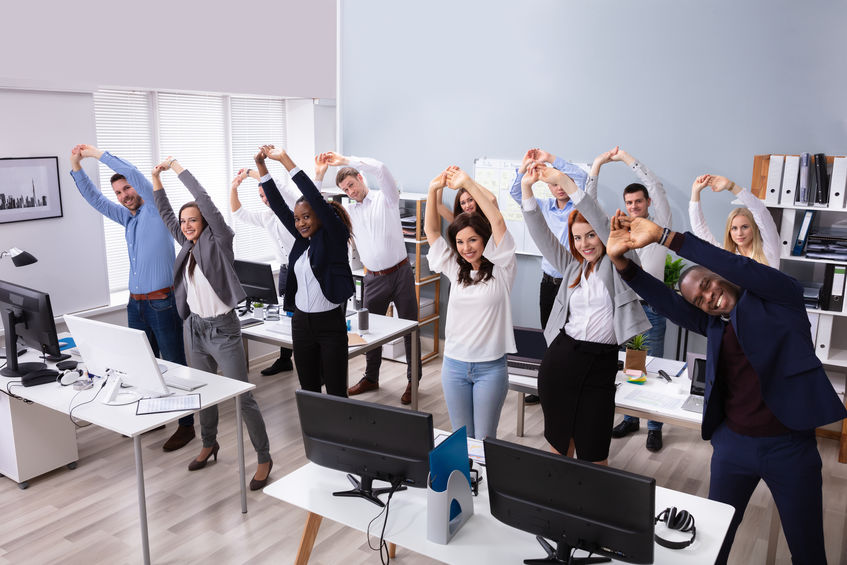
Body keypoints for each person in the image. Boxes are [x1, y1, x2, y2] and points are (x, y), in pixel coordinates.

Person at [605, 211, 847, 565]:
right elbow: (668, 303)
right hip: (733, 447)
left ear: (720, 276)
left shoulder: (782, 298)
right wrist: (623, 264)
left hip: (790, 447)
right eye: (700, 300)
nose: (709, 297)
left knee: (807, 550)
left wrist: (666, 236)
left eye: (707, 285)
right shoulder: (716, 324)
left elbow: (739, 267)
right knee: (712, 543)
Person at [152, 157, 272, 490]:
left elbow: (203, 199)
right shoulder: (187, 245)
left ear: (204, 221)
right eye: (184, 221)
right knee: (201, 391)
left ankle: (263, 457)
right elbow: (164, 214)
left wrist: (176, 169)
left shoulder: (219, 240)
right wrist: (155, 180)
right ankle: (209, 443)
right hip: (195, 329)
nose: (188, 225)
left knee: (242, 397)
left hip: (223, 330)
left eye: (193, 220)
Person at [521, 162, 650, 463]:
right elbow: (541, 233)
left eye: (591, 235)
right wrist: (527, 189)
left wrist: (564, 182)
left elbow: (602, 223)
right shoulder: (572, 267)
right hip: (562, 362)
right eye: (578, 238)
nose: (585, 244)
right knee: (559, 451)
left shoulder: (620, 261)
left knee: (594, 457)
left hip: (601, 366)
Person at [70, 144, 195, 453]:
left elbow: (138, 175)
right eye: (119, 192)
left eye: (127, 188)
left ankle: (187, 426)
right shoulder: (128, 218)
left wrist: (98, 155)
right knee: (144, 366)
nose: (125, 194)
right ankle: (155, 416)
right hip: (136, 304)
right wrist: (76, 165)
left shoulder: (155, 208)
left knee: (174, 363)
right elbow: (94, 199)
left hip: (162, 302)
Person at [590, 147, 672, 452]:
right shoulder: (619, 231)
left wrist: (626, 159)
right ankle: (631, 418)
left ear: (647, 203)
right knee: (630, 368)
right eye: (629, 203)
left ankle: (655, 426)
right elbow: (590, 207)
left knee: (652, 366)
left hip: (653, 308)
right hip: (626, 307)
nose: (634, 206)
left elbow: (657, 186)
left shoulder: (659, 225)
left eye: (639, 201)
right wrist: (598, 164)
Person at [254, 146, 354, 397]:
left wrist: (285, 160)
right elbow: (277, 204)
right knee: (308, 390)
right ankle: (314, 437)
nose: (300, 223)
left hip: (329, 324)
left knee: (336, 392)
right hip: (301, 324)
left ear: (320, 216)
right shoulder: (301, 241)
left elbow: (314, 197)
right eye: (297, 219)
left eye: (306, 217)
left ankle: (339, 436)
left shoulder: (334, 236)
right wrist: (261, 167)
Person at [424, 166, 516, 439]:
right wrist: (432, 190)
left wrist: (467, 183)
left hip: (490, 368)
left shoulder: (503, 267)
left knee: (484, 439)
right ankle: (466, 483)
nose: (466, 248)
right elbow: (431, 230)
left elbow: (497, 220)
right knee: (461, 438)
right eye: (461, 242)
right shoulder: (455, 267)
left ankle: (486, 483)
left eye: (473, 240)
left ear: (485, 240)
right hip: (453, 366)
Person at [325, 152, 422, 405]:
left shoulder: (386, 198)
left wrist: (344, 159)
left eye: (351, 185)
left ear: (360, 177)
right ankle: (371, 377)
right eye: (345, 189)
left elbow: (381, 168)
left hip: (400, 273)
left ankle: (413, 381)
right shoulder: (348, 212)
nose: (350, 191)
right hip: (373, 279)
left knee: (410, 327)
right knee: (370, 330)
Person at [229, 155, 330, 376]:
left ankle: (320, 364)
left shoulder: (295, 213)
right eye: (261, 196)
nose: (265, 199)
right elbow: (239, 214)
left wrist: (250, 173)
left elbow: (277, 184)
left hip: (306, 267)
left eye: (266, 194)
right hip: (286, 270)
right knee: (289, 315)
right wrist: (234, 188)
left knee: (309, 314)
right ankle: (286, 359)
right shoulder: (267, 218)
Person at [509, 148, 590, 405]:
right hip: (549, 281)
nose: (560, 188)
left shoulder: (578, 207)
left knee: (573, 336)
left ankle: (571, 387)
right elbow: (515, 193)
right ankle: (548, 386)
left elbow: (582, 177)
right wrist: (523, 170)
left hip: (574, 283)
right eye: (553, 184)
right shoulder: (542, 207)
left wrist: (551, 160)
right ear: (549, 187)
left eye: (562, 182)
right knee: (549, 334)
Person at [689, 174, 780, 267]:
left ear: (754, 227)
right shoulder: (728, 257)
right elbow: (700, 230)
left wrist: (731, 186)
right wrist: (695, 192)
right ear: (729, 231)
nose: (739, 233)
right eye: (734, 228)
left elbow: (760, 211)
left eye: (745, 227)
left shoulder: (769, 248)